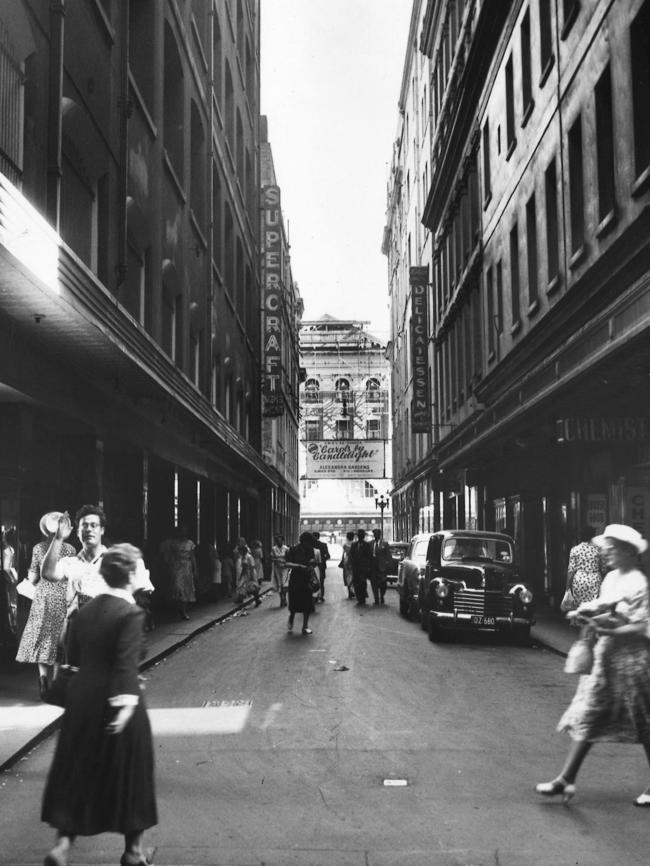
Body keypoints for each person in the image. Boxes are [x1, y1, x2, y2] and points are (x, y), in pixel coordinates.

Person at [41, 543, 157, 866]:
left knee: (76, 770)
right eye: (139, 569)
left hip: (81, 700)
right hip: (117, 698)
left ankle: (62, 847)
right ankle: (134, 852)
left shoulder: (84, 612)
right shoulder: (131, 613)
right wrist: (123, 706)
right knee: (132, 772)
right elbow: (123, 664)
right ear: (130, 574)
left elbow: (72, 654)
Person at [536, 524, 650, 806]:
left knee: (644, 721)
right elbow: (602, 606)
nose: (606, 552)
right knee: (590, 713)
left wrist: (608, 628)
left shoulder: (638, 582)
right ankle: (566, 779)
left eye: (611, 548)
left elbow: (639, 626)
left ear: (627, 552)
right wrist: (584, 616)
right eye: (606, 547)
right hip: (607, 657)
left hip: (634, 661)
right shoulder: (610, 578)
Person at [16, 512, 77, 699]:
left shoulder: (38, 548)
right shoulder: (71, 549)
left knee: (42, 637)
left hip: (43, 597)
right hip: (62, 597)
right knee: (60, 640)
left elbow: (34, 577)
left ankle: (43, 679)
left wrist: (28, 576)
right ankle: (57, 683)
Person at [159, 525, 197, 620]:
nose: (183, 533)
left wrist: (195, 569)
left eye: (185, 531)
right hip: (177, 566)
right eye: (181, 531)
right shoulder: (174, 543)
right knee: (177, 587)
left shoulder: (190, 543)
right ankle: (178, 608)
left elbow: (193, 557)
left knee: (186, 588)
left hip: (187, 566)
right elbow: (170, 555)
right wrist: (169, 566)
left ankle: (184, 610)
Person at [285, 532, 318, 635]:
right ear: (304, 541)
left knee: (307, 603)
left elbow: (313, 562)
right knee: (294, 601)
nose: (310, 545)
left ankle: (305, 626)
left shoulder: (311, 550)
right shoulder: (293, 550)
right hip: (295, 578)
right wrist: (299, 566)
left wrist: (313, 562)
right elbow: (287, 563)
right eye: (309, 542)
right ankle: (292, 617)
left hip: (306, 579)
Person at [563, 525, 604, 608]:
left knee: (579, 608)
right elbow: (602, 568)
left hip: (579, 581)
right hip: (595, 581)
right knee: (594, 608)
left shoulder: (575, 549)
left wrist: (567, 588)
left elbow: (571, 570)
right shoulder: (598, 549)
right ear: (593, 536)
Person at [234, 538, 261, 607]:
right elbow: (243, 567)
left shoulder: (249, 557)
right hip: (245, 573)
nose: (239, 553)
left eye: (240, 552)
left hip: (250, 573)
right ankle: (241, 598)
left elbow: (252, 566)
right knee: (242, 586)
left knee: (251, 586)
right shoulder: (243, 557)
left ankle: (257, 599)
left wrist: (251, 576)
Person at [349, 529, 373, 606]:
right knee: (356, 583)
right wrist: (351, 565)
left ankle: (362, 597)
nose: (360, 537)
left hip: (363, 568)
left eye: (361, 535)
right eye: (359, 535)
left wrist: (368, 567)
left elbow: (369, 556)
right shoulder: (354, 545)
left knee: (362, 582)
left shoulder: (367, 545)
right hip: (355, 568)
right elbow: (351, 556)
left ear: (363, 536)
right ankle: (359, 597)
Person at [370, 528, 392, 605]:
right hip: (373, 567)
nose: (376, 535)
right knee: (374, 583)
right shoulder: (371, 543)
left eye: (377, 534)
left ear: (380, 535)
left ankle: (382, 595)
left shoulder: (385, 544)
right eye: (375, 534)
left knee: (383, 583)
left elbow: (388, 555)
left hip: (382, 567)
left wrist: (388, 565)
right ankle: (376, 598)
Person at [270, 534, 290, 608]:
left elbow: (289, 558)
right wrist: (276, 560)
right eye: (277, 540)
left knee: (284, 583)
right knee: (279, 583)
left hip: (284, 568)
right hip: (277, 568)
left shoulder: (286, 548)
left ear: (283, 540)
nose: (279, 542)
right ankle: (281, 599)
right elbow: (271, 558)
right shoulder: (273, 549)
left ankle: (284, 597)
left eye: (280, 540)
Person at [312, 531, 330, 602]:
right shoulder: (323, 545)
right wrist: (322, 559)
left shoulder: (309, 545)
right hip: (321, 566)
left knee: (313, 581)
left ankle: (315, 596)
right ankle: (321, 596)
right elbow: (328, 556)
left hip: (313, 566)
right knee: (321, 581)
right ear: (319, 537)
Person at [342, 530, 356, 599]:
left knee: (347, 576)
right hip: (354, 560)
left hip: (346, 561)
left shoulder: (345, 545)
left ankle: (350, 592)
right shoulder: (355, 544)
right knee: (354, 576)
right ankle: (353, 590)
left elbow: (343, 554)